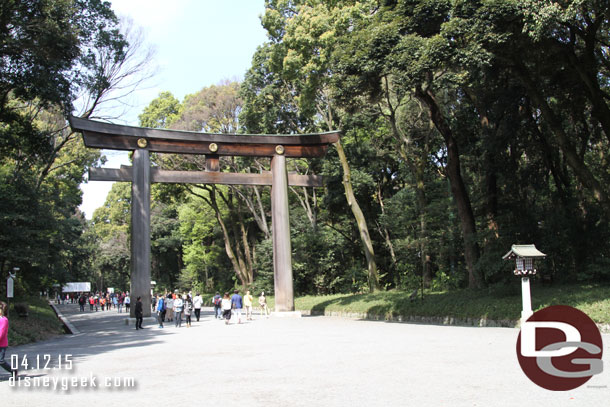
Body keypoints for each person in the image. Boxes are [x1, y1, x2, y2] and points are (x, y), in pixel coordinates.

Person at [0, 301, 17, 379]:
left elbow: (2, 333)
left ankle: (13, 371)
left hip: (2, 344)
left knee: (1, 361)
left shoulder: (4, 320)